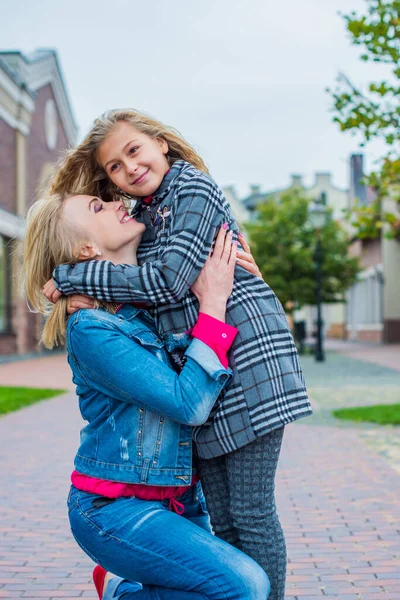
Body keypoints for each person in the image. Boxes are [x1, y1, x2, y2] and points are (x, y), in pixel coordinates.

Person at [44, 109, 312, 600]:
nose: (127, 172)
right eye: (113, 171)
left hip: (249, 369)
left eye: (134, 150)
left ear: (162, 143)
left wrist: (69, 278)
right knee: (231, 521)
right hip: (200, 397)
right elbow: (160, 283)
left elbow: (169, 282)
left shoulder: (191, 190)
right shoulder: (144, 225)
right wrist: (74, 283)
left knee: (249, 514)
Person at [24, 193, 270, 600]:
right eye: (97, 207)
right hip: (115, 510)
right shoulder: (92, 328)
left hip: (180, 499)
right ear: (86, 248)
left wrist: (250, 282)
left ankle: (127, 585)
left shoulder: (155, 302)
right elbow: (188, 403)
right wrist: (213, 302)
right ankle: (123, 591)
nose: (115, 201)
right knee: (244, 586)